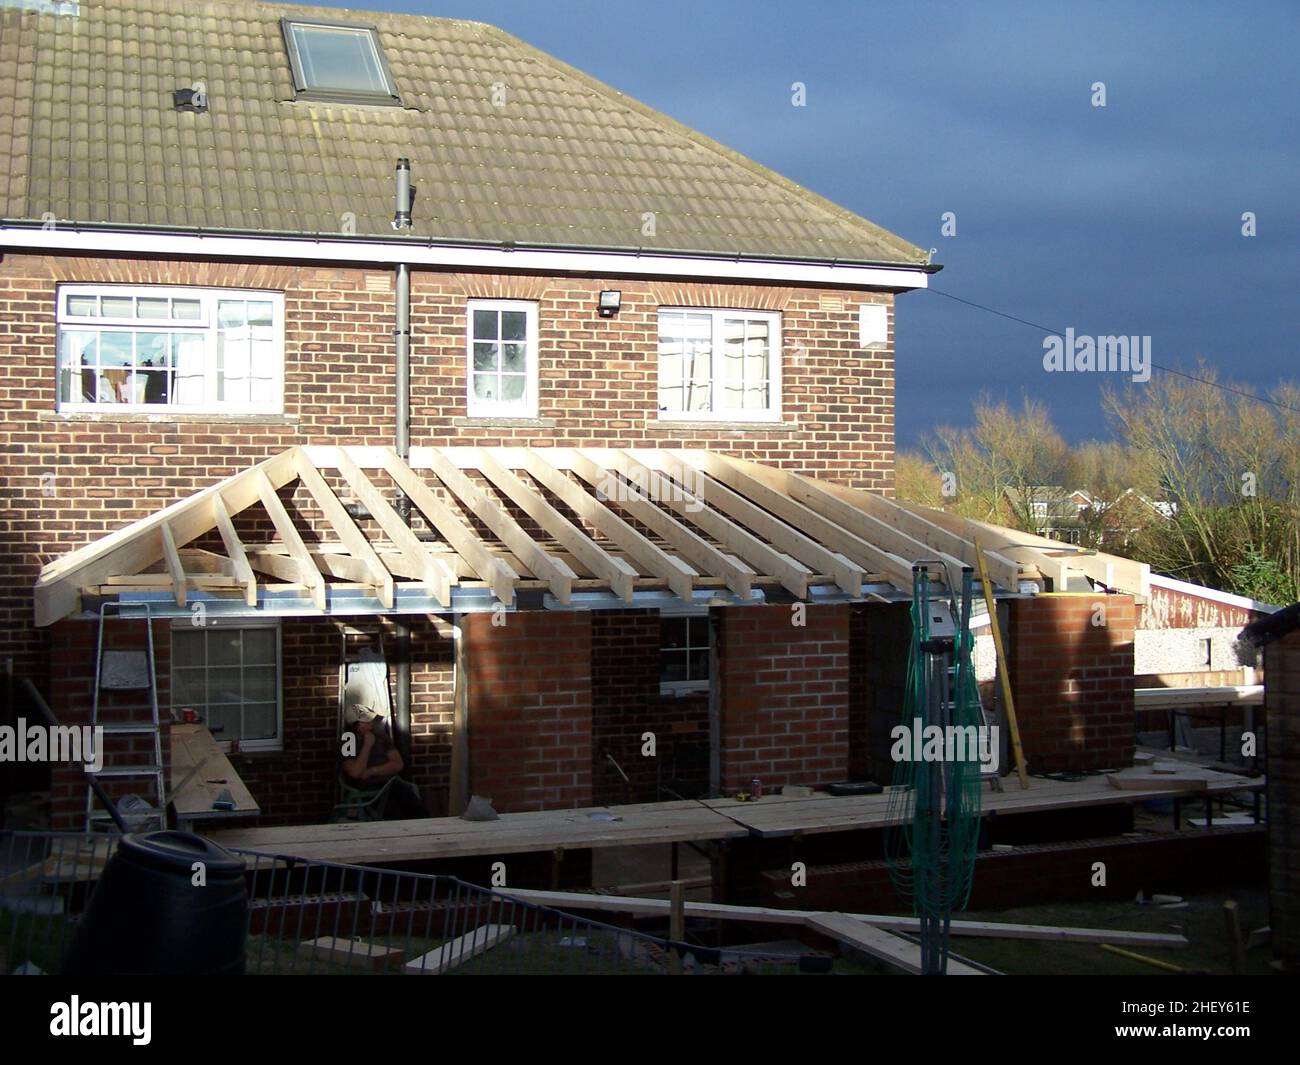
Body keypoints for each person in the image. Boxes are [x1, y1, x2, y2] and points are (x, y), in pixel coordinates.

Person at [341, 704, 426, 819]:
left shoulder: (381, 737)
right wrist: (367, 745)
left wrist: (372, 771)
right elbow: (355, 772)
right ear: (356, 724)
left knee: (410, 801)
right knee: (392, 808)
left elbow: (398, 764)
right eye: (367, 722)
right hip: (367, 788)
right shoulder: (348, 741)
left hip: (389, 783)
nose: (371, 724)